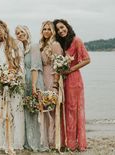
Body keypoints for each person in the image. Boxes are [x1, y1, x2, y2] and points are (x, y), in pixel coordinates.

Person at [53, 19, 90, 151]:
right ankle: (68, 142)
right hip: (63, 80)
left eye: (62, 27)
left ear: (67, 26)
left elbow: (87, 59)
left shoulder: (77, 40)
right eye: (58, 30)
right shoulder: (60, 44)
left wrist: (71, 70)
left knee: (74, 110)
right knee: (66, 110)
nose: (61, 31)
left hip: (74, 79)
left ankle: (77, 144)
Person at [0, 19, 25, 154]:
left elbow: (21, 63)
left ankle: (16, 142)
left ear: (4, 27)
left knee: (16, 111)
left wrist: (16, 79)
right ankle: (2, 141)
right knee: (2, 112)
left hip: (15, 82)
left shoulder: (17, 43)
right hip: (1, 83)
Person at [15, 25, 44, 151]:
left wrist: (33, 85)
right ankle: (27, 141)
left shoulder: (34, 46)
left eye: (22, 31)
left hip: (33, 81)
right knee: (27, 112)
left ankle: (35, 142)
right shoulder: (22, 49)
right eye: (17, 33)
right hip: (24, 83)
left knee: (34, 112)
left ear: (27, 32)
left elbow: (35, 67)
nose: (20, 34)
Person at [38, 20, 65, 151]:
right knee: (46, 111)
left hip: (52, 79)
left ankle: (55, 141)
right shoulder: (41, 45)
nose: (46, 31)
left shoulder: (55, 45)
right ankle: (47, 140)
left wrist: (55, 84)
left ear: (52, 31)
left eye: (49, 29)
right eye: (44, 29)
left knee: (53, 111)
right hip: (43, 79)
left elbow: (58, 66)